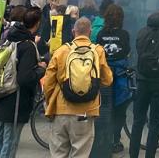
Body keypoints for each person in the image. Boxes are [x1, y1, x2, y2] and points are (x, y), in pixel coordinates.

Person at [42, 16, 113, 158]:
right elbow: (108, 80)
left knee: (58, 153)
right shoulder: (97, 51)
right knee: (80, 153)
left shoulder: (62, 51)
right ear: (90, 31)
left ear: (74, 31)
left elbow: (48, 82)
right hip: (85, 112)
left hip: (61, 109)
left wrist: (50, 102)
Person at [0, 7, 46, 158]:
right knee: (10, 142)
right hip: (17, 100)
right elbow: (24, 78)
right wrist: (41, 69)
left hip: (3, 94)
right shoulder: (28, 46)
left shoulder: (11, 37)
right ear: (37, 23)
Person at [127, 10, 159, 158]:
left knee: (137, 122)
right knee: (155, 124)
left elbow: (137, 51)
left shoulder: (142, 33)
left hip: (142, 81)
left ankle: (133, 155)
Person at [96, 3, 132, 153]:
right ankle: (116, 140)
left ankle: (103, 140)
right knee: (119, 109)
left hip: (104, 74)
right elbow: (127, 52)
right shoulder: (124, 34)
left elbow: (98, 50)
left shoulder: (101, 34)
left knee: (104, 108)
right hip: (120, 76)